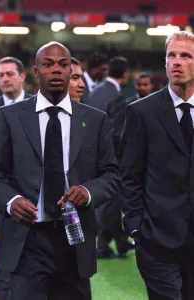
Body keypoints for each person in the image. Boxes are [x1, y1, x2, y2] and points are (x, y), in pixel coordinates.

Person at [0, 41, 120, 300]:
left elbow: (112, 175)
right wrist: (12, 200)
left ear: (70, 71)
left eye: (63, 64)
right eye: (48, 64)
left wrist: (88, 192)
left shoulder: (95, 120)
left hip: (75, 238)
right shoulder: (9, 116)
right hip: (28, 240)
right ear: (36, 72)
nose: (56, 70)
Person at [119, 30, 194, 300]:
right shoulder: (141, 112)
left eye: (185, 56)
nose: (177, 62)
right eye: (171, 55)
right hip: (157, 241)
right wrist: (137, 227)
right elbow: (129, 175)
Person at [0, 56, 32, 300]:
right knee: (2, 268)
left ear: (22, 76)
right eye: (1, 75)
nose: (5, 79)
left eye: (9, 74)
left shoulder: (38, 106)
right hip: (2, 202)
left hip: (36, 199)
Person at [87, 56, 134, 258]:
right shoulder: (116, 96)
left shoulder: (96, 92)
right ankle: (111, 243)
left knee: (108, 202)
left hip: (91, 152)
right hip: (110, 156)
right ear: (125, 75)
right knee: (110, 201)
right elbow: (116, 132)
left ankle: (112, 243)